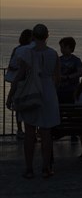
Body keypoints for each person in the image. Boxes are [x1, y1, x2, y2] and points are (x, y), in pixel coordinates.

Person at [5, 24, 60, 179]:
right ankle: (45, 168)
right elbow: (57, 78)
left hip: (31, 93)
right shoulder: (53, 54)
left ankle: (29, 169)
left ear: (33, 36)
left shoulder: (27, 53)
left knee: (29, 133)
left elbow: (19, 76)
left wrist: (10, 96)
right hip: (48, 94)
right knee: (46, 133)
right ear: (47, 36)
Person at [6, 29, 33, 139]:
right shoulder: (31, 50)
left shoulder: (17, 49)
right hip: (26, 82)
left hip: (18, 82)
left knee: (19, 107)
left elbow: (11, 65)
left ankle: (21, 130)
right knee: (28, 107)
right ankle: (27, 131)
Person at [56, 37, 82, 143]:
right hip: (61, 90)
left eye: (62, 47)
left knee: (71, 112)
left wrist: (68, 77)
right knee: (60, 112)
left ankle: (72, 133)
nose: (61, 49)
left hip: (72, 90)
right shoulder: (58, 59)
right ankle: (62, 131)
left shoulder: (76, 60)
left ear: (68, 47)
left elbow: (81, 72)